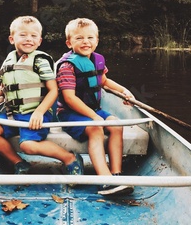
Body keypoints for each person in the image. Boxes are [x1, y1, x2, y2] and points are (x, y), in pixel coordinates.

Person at [0, 16, 84, 176]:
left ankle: (70, 158)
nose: (28, 39)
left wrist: (39, 113)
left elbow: (53, 91)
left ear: (39, 41)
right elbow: (4, 85)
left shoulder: (40, 60)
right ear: (12, 39)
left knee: (27, 145)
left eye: (33, 36)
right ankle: (20, 163)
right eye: (23, 35)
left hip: (36, 113)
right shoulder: (8, 61)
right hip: (13, 115)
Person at [56, 17, 134, 196]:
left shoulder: (97, 60)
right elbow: (69, 99)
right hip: (70, 113)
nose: (86, 42)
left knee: (116, 125)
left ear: (97, 40)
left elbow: (104, 81)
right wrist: (94, 116)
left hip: (94, 110)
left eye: (90, 38)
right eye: (79, 38)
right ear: (69, 42)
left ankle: (116, 174)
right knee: (96, 129)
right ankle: (105, 181)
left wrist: (124, 91)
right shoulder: (67, 66)